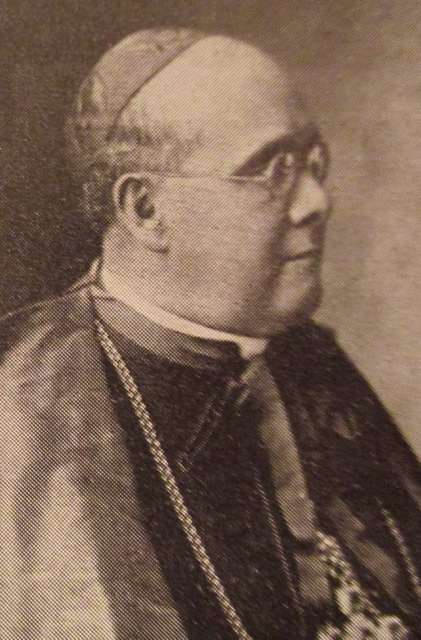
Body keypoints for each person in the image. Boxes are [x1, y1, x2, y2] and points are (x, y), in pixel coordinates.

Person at [0, 28, 419, 640]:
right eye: (272, 169)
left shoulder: (310, 356)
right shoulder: (29, 401)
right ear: (145, 210)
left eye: (313, 162)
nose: (316, 201)